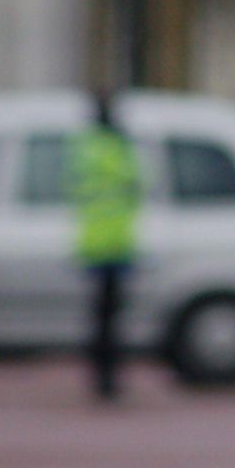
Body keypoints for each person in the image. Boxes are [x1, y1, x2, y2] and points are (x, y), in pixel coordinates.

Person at [71, 91, 143, 400]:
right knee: (111, 316)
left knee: (101, 315)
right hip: (116, 242)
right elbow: (136, 181)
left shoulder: (83, 148)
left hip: (94, 241)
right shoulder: (115, 148)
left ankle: (101, 376)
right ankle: (107, 378)